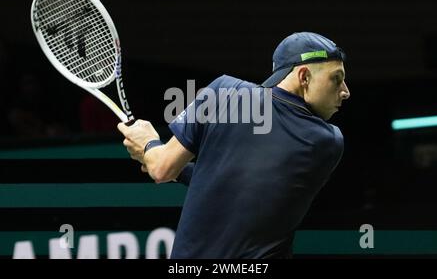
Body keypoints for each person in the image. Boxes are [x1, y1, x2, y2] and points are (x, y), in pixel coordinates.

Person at [117, 32, 351, 258]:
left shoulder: (224, 91)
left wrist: (148, 143)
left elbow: (161, 168)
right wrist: (173, 168)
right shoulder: (328, 141)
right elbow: (247, 184)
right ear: (304, 76)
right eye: (336, 78)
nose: (345, 91)